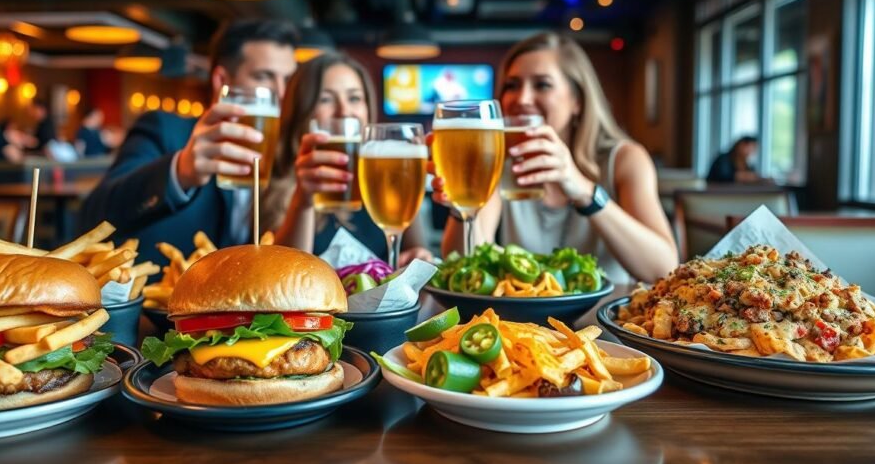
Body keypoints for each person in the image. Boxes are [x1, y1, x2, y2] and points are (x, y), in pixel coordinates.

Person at [434, 32, 678, 284]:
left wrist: (584, 191)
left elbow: (664, 269)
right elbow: (464, 262)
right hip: (521, 321)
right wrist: (463, 207)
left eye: (542, 85)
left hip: (603, 320)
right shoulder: (498, 159)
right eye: (512, 85)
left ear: (578, 101)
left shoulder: (624, 159)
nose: (522, 99)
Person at [80, 20, 299, 264]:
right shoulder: (166, 130)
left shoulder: (292, 153)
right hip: (171, 299)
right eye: (264, 77)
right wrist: (180, 171)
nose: (282, 94)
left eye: (288, 80)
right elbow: (94, 219)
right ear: (222, 81)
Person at [267, 52, 430, 264]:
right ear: (300, 111)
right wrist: (303, 200)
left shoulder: (387, 172)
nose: (344, 111)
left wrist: (417, 258)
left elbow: (417, 250)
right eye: (325, 99)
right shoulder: (269, 181)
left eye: (354, 98)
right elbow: (285, 277)